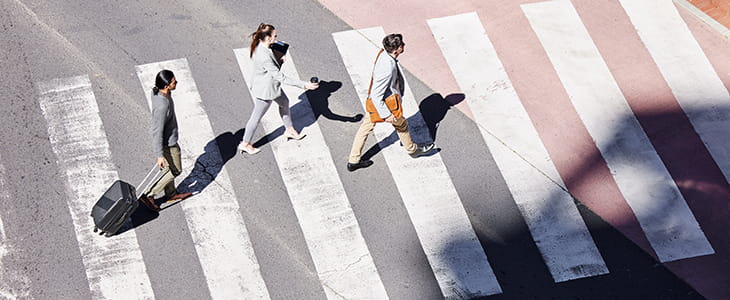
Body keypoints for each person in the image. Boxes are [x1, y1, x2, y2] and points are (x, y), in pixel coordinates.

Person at [347, 33, 435, 172]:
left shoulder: (384, 54)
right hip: (385, 104)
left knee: (366, 127)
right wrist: (386, 114)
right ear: (396, 50)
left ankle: (353, 160)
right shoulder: (387, 68)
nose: (404, 45)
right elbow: (377, 95)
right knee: (401, 124)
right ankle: (413, 150)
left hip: (381, 103)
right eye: (402, 45)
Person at [239, 23, 319, 155]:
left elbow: (270, 68)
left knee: (285, 103)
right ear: (268, 37)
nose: (276, 38)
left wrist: (279, 60)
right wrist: (305, 85)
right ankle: (245, 143)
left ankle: (289, 129)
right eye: (275, 36)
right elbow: (281, 77)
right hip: (266, 91)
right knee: (256, 117)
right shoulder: (264, 56)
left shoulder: (264, 46)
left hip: (270, 86)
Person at [139, 70, 192, 211]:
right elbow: (156, 131)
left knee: (169, 168)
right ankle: (149, 194)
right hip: (169, 143)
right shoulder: (162, 106)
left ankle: (171, 193)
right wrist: (159, 155)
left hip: (168, 140)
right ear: (167, 85)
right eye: (174, 82)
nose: (177, 83)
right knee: (176, 170)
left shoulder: (157, 91)